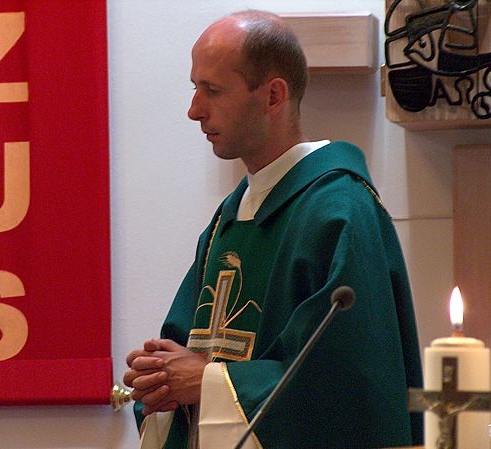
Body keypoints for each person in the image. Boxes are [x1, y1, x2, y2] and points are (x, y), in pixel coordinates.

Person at [124, 9, 423, 449]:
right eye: (194, 88)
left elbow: (346, 386)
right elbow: (185, 352)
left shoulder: (338, 211)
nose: (194, 111)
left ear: (273, 96)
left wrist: (208, 381)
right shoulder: (231, 217)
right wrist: (159, 378)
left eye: (212, 90)